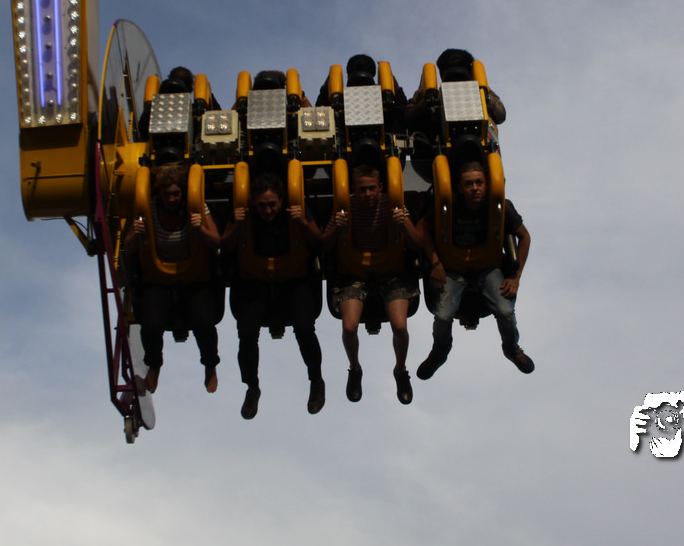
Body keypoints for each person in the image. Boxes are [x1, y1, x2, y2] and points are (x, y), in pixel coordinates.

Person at [223, 171, 332, 419]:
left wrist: (302, 222)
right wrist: (237, 225)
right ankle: (252, 387)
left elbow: (320, 243)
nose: (268, 210)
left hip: (293, 277)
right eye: (262, 205)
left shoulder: (296, 207)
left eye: (272, 204)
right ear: (253, 202)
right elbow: (225, 246)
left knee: (304, 328)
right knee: (247, 333)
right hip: (255, 279)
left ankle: (316, 380)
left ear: (281, 201)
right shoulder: (244, 211)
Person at [416, 160, 534, 379]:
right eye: (469, 184)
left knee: (506, 311)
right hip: (452, 269)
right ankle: (439, 352)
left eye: (479, 183)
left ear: (487, 184)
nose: (475, 188)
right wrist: (435, 263)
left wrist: (516, 276)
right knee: (443, 316)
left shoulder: (502, 206)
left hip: (487, 268)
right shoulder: (447, 204)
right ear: (460, 188)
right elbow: (421, 230)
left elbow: (524, 237)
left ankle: (512, 348)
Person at [323, 164, 425, 404]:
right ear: (353, 189)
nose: (367, 194)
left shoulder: (394, 203)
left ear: (380, 187)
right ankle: (355, 368)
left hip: (391, 271)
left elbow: (417, 244)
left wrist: (404, 224)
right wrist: (336, 228)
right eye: (362, 189)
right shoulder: (344, 207)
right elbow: (323, 246)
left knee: (399, 326)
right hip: (354, 272)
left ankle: (400, 370)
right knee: (349, 327)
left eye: (371, 188)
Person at [122, 164, 223, 394]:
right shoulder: (147, 209)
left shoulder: (197, 207)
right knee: (150, 325)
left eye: (176, 193)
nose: (171, 199)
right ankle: (154, 364)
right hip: (158, 280)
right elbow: (129, 246)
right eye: (167, 194)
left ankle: (210, 365)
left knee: (204, 324)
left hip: (194, 278)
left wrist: (200, 229)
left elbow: (216, 241)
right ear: (159, 193)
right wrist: (136, 233)